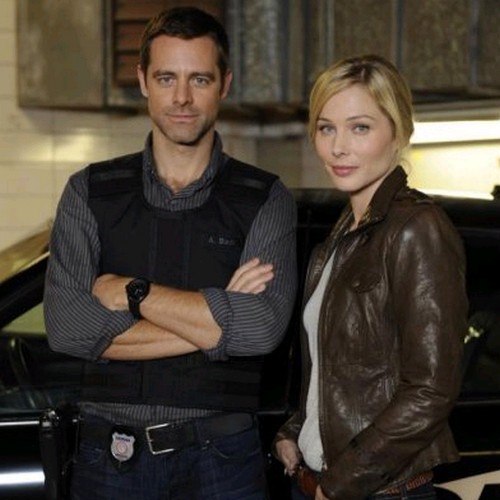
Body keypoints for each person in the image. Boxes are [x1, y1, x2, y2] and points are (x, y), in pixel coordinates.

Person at [44, 6, 297, 500]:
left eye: (199, 79)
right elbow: (69, 327)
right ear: (143, 80)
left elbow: (261, 328)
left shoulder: (266, 198)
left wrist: (133, 293)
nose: (182, 97)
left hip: (223, 461)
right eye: (166, 78)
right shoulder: (89, 192)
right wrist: (217, 317)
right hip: (109, 459)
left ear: (224, 84)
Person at [274, 54, 468, 499]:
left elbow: (430, 391)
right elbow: (339, 370)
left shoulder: (417, 228)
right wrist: (295, 429)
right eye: (326, 128)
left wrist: (339, 484)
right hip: (318, 483)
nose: (338, 147)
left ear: (398, 132)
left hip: (378, 492)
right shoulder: (343, 236)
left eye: (359, 128)